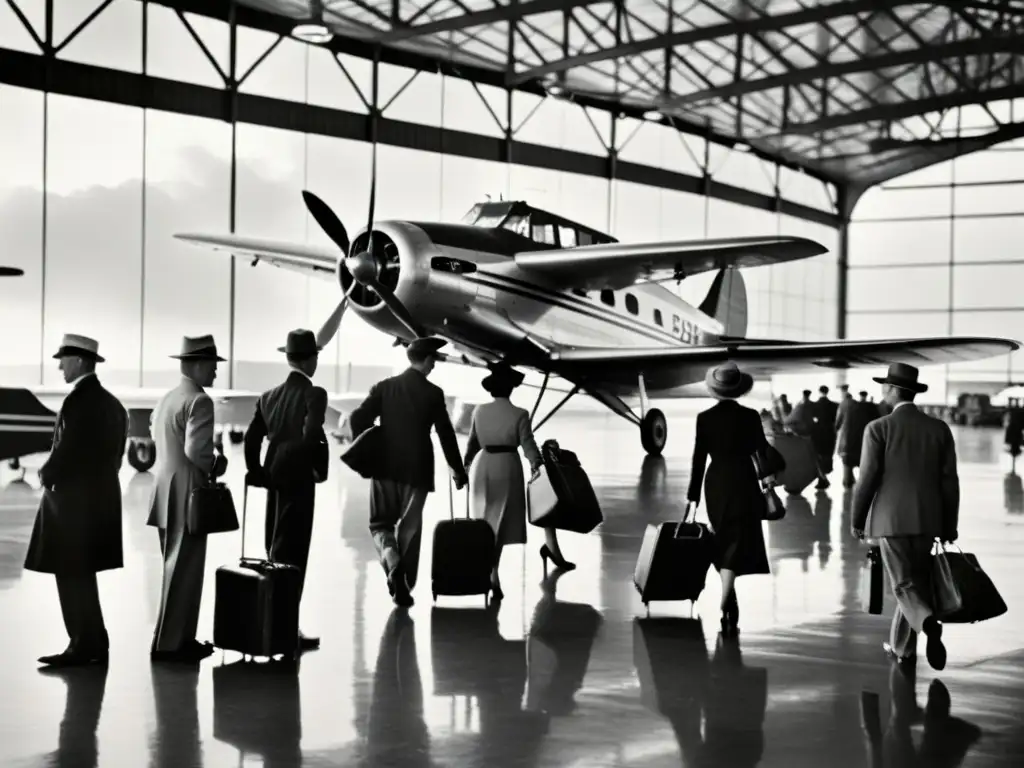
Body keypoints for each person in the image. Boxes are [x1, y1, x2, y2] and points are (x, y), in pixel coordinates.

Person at [25, 334, 128, 668]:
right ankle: (96, 640)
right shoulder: (112, 403)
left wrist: (45, 474)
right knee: (83, 574)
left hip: (73, 507)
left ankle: (82, 645)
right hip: (98, 502)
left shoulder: (78, 402)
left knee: (70, 573)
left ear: (80, 361)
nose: (59, 366)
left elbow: (66, 449)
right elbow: (115, 458)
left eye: (63, 359)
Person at [851, 363, 959, 671]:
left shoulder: (878, 428)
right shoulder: (939, 428)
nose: (881, 391)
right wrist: (949, 524)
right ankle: (903, 649)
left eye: (884, 386)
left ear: (893, 390)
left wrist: (857, 521)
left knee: (904, 586)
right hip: (928, 520)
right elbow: (949, 480)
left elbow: (867, 479)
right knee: (914, 583)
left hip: (890, 520)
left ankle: (928, 625)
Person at [349, 336, 468, 607]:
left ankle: (391, 560)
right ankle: (405, 583)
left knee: (381, 524)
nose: (434, 366)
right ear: (425, 360)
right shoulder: (433, 393)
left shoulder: (384, 387)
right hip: (419, 468)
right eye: (433, 360)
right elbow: (446, 434)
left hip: (385, 464)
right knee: (410, 526)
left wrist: (367, 449)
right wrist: (457, 471)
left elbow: (358, 418)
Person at [244, 329, 329, 651]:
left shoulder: (269, 396)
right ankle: (286, 628)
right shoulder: (314, 394)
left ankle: (270, 623)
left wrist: (257, 472)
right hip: (298, 478)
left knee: (274, 547)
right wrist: (317, 468)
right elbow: (313, 433)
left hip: (274, 477)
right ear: (311, 359)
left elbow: (253, 440)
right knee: (295, 554)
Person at [462, 363, 574, 600]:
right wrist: (537, 465)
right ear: (510, 389)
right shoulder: (520, 414)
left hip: (483, 466)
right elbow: (528, 445)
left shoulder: (479, 411)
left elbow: (472, 444)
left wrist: (463, 468)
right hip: (508, 467)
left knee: (484, 520)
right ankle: (492, 573)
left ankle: (488, 571)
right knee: (499, 523)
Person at [147, 335, 228, 662]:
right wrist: (217, 462)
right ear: (196, 365)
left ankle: (169, 639)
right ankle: (174, 645)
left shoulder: (167, 398)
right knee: (187, 572)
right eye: (212, 366)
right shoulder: (199, 401)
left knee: (172, 569)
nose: (215, 373)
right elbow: (197, 451)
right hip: (189, 494)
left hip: (164, 490)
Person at [687, 362, 781, 636]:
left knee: (723, 536)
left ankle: (729, 595)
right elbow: (761, 450)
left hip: (716, 483)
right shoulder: (751, 416)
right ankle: (728, 596)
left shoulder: (704, 418)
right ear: (738, 390)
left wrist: (692, 497)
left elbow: (698, 460)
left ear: (714, 390)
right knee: (739, 538)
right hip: (744, 481)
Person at [836, 390, 876, 488]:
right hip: (860, 443)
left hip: (848, 445)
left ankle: (848, 488)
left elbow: (838, 424)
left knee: (847, 474)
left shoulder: (846, 407)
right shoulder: (868, 407)